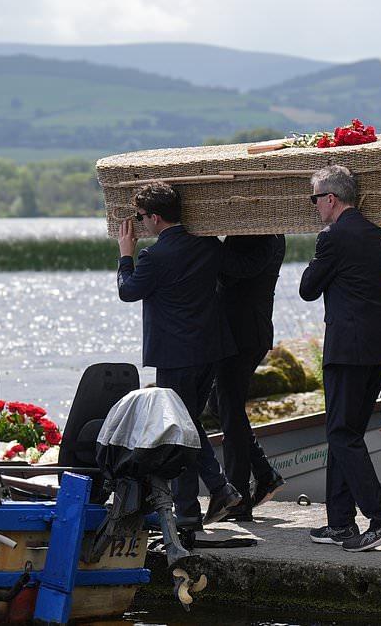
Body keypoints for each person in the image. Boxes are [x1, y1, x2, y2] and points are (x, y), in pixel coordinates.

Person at [117, 181, 241, 527]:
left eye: (141, 218)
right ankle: (191, 507)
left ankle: (213, 492)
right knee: (188, 425)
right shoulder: (208, 246)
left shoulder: (153, 256)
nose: (140, 224)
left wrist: (125, 255)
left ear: (155, 218)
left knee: (180, 428)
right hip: (211, 348)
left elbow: (128, 292)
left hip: (176, 354)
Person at [299, 165, 381, 552]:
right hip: (378, 347)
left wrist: (318, 249)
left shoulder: (333, 236)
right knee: (346, 434)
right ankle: (340, 522)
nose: (314, 207)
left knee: (341, 434)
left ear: (330, 198)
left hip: (349, 349)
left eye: (314, 199)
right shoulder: (374, 232)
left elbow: (308, 289)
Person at [211, 234, 288, 521]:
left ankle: (238, 498)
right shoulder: (266, 232)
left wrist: (209, 245)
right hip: (242, 331)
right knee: (221, 407)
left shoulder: (263, 234)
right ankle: (265, 474)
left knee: (229, 411)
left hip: (242, 334)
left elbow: (238, 270)